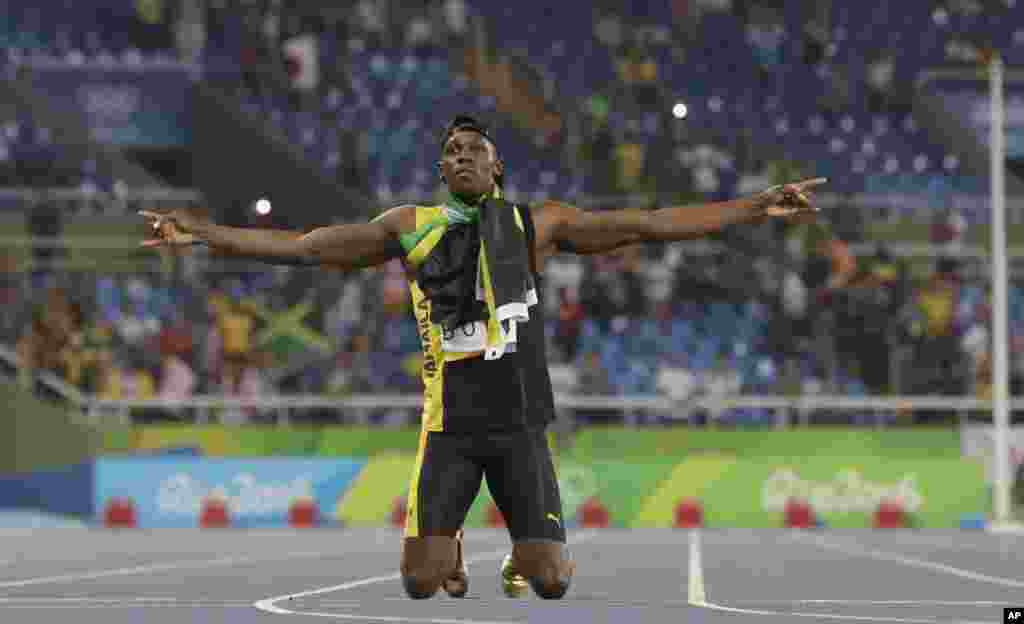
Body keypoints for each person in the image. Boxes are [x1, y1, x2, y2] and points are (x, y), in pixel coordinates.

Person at [140, 115, 824, 600]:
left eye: (476, 149)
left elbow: (651, 225)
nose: (463, 156)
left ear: (497, 166)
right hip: (449, 430)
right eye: (452, 150)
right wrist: (203, 235)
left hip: (521, 428)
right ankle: (454, 547)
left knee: (551, 581)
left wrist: (756, 206)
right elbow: (306, 246)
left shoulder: (538, 224)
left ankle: (524, 560)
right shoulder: (410, 228)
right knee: (419, 583)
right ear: (442, 168)